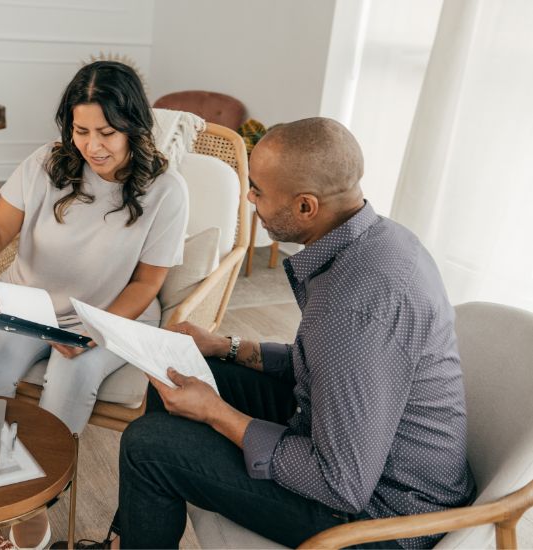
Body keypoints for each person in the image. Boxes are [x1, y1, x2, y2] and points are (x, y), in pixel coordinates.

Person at [96, 117, 475, 549]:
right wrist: (228, 346)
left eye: (257, 189)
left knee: (149, 447)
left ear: (306, 207)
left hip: (382, 518)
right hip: (350, 447)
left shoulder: (353, 306)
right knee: (176, 376)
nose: (248, 196)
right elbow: (323, 365)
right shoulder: (384, 239)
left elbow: (340, 484)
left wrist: (216, 414)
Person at [0, 60, 189, 549]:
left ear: (134, 126)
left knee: (72, 375)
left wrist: (92, 331)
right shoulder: (47, 162)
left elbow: (148, 283)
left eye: (107, 131)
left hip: (109, 313)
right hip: (26, 303)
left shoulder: (166, 191)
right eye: (81, 131)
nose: (93, 145)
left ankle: (35, 500)